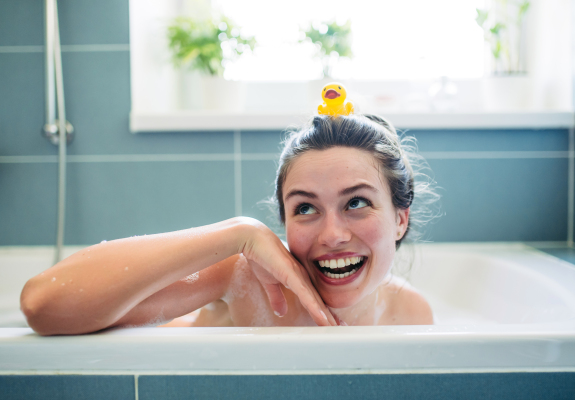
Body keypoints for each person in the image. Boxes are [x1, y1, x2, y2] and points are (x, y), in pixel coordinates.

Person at [20, 114, 436, 335]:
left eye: (357, 202)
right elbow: (42, 304)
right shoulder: (248, 281)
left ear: (401, 218)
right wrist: (240, 234)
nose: (331, 235)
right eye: (305, 209)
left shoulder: (412, 314)